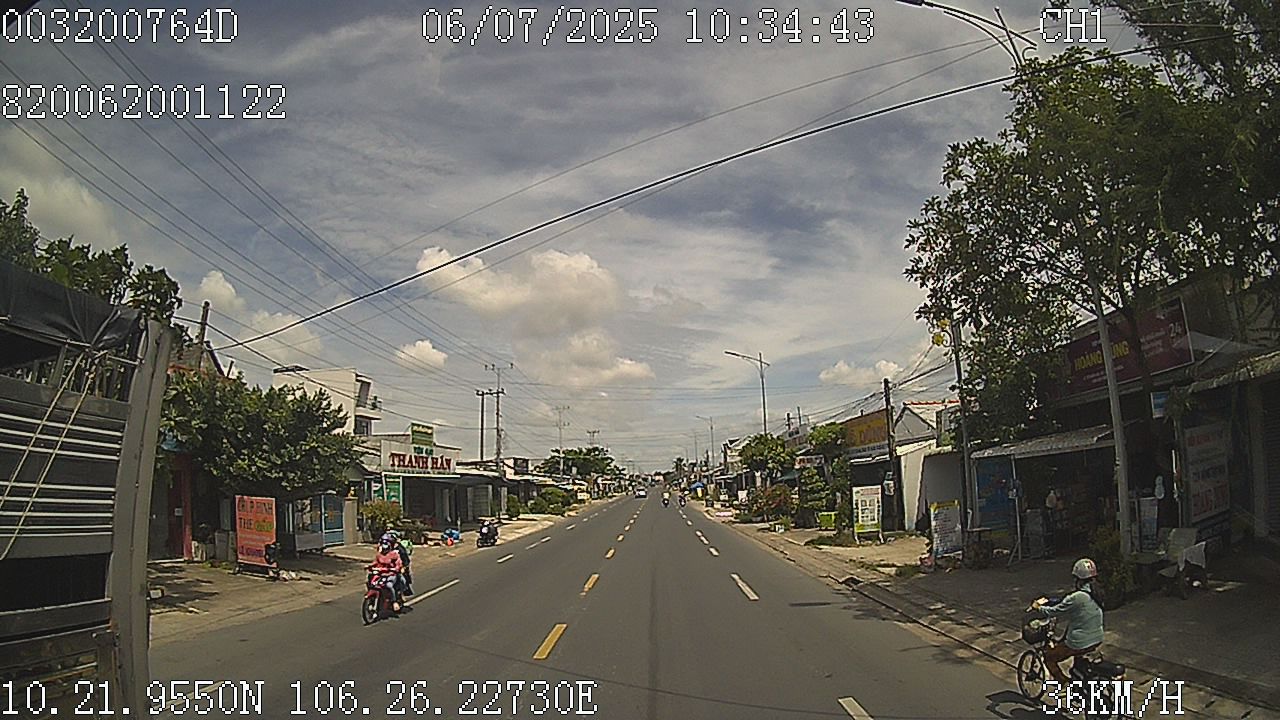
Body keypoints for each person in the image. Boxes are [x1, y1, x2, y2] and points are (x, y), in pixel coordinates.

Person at [1033, 558, 1105, 684]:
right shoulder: (1097, 593)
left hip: (1079, 642)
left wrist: (1038, 607)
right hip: (1097, 638)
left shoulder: (1077, 597)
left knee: (1049, 657)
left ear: (1078, 579)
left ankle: (1064, 683)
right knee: (1078, 663)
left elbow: (1054, 611)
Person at [371, 533, 405, 612]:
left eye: (386, 543)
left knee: (388, 585)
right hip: (381, 574)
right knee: (371, 581)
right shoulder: (379, 555)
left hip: (391, 574)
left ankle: (394, 601)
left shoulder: (394, 554)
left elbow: (398, 563)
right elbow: (375, 562)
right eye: (383, 542)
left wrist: (396, 568)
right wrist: (369, 566)